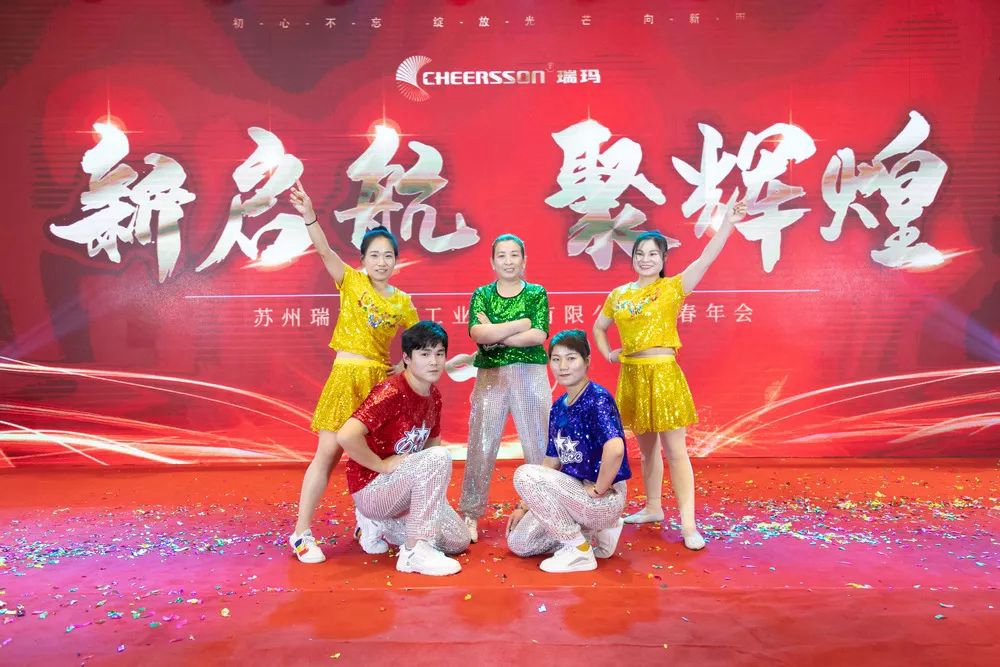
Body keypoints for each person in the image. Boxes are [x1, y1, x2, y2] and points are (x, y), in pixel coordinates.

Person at [593, 198, 748, 550]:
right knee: (647, 451)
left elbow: (706, 258)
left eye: (653, 254)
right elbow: (599, 327)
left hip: (663, 375)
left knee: (676, 452)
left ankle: (689, 525)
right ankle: (653, 507)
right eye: (640, 253)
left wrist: (727, 222)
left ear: (663, 259)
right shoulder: (618, 295)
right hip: (633, 375)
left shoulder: (673, 288)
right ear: (633, 258)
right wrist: (609, 354)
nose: (646, 259)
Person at [287, 180, 418, 564]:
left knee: (373, 459)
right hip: (346, 377)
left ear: (396, 261)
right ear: (363, 260)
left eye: (388, 256)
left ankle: (368, 522)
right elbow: (323, 250)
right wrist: (309, 215)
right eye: (374, 255)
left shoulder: (404, 301)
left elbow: (419, 340)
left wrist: (402, 366)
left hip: (379, 385)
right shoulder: (351, 281)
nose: (381, 262)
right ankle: (300, 534)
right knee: (328, 454)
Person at [339, 321, 469, 576]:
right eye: (424, 354)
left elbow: (431, 443)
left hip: (403, 484)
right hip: (373, 486)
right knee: (439, 457)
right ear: (407, 358)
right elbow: (346, 436)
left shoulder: (433, 396)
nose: (434, 362)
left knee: (457, 540)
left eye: (439, 353)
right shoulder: (390, 392)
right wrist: (381, 465)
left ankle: (380, 526)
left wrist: (428, 496)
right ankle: (414, 552)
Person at [506, 330, 630, 573]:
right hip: (575, 494)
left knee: (524, 474)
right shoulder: (558, 408)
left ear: (587, 361)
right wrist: (523, 506)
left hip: (602, 497)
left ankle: (579, 550)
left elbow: (616, 449)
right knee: (520, 543)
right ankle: (594, 533)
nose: (563, 366)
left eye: (571, 358)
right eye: (556, 359)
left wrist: (599, 488)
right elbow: (551, 462)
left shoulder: (597, 399)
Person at [458, 234, 551, 542]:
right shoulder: (482, 294)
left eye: (514, 255)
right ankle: (470, 514)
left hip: (530, 375)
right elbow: (477, 333)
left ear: (524, 260)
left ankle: (544, 511)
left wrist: (496, 334)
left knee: (539, 444)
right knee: (481, 445)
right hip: (491, 377)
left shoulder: (536, 292)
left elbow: (538, 335)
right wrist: (519, 325)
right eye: (502, 255)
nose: (508, 261)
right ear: (492, 261)